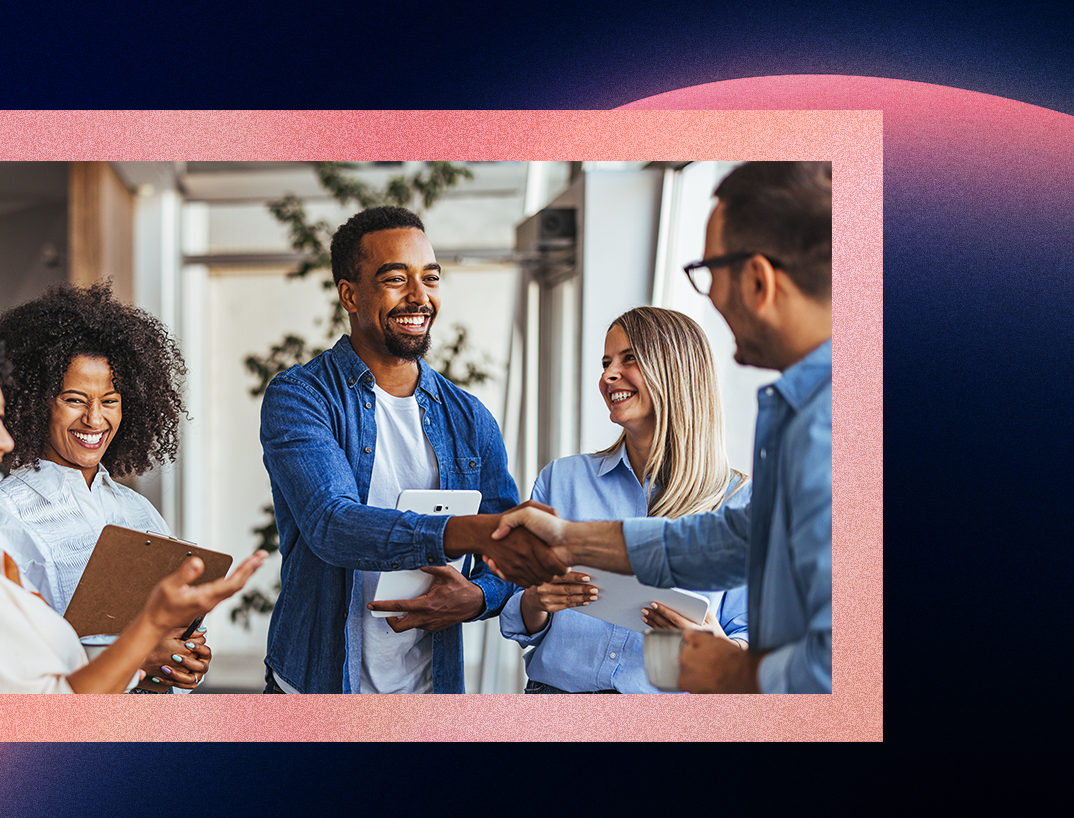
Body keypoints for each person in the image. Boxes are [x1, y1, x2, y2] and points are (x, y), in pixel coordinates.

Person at [491, 161, 832, 693]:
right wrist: (569, 541)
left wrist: (732, 669)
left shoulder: (827, 426)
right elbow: (728, 543)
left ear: (759, 279)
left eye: (708, 272)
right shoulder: (800, 410)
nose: (711, 297)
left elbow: (840, 662)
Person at [0, 299, 261, 694]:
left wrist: (172, 657)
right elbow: (50, 711)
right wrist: (146, 634)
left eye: (110, 400)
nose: (3, 441)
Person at [259, 205, 565, 694]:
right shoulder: (301, 397)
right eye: (396, 279)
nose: (419, 297)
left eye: (431, 278)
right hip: (316, 687)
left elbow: (504, 559)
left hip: (429, 692)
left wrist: (478, 596)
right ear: (350, 294)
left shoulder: (468, 417)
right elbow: (331, 525)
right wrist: (473, 533)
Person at [0, 281, 218, 693]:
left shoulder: (138, 512)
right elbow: (2, 669)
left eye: (111, 401)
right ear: (33, 400)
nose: (95, 420)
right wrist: (137, 658)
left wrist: (183, 657)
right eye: (75, 400)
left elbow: (171, 631)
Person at [501, 307, 750, 694]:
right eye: (606, 362)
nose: (607, 375)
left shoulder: (739, 501)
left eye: (628, 359)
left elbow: (753, 638)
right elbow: (519, 615)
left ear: (676, 372)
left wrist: (715, 644)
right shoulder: (562, 480)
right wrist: (537, 600)